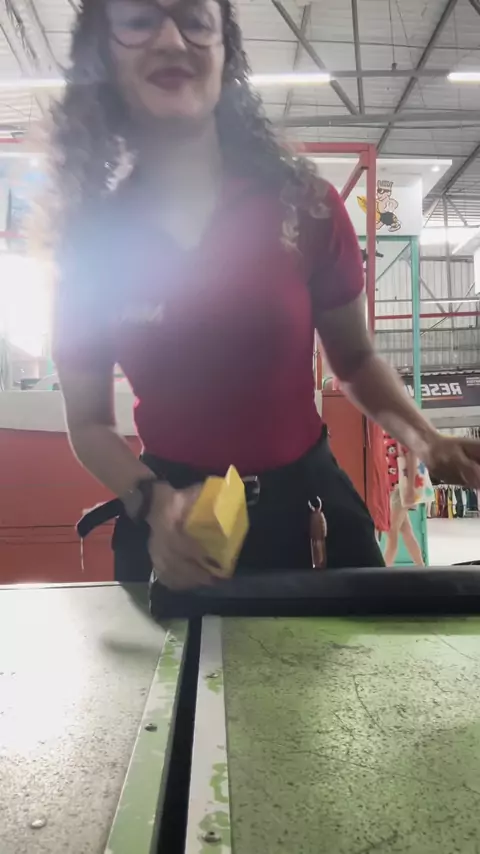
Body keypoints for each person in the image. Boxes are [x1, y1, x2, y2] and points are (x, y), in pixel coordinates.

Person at [49, 0, 480, 599]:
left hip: (309, 520)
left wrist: (426, 439)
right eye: (140, 19)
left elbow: (355, 360)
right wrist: (151, 501)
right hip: (177, 529)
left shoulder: (304, 207)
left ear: (224, 52)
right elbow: (89, 422)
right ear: (103, 53)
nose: (171, 40)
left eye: (195, 20)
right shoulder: (91, 244)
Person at [383, 434, 430, 567]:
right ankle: (421, 567)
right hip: (391, 489)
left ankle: (384, 570)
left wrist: (410, 488)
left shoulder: (399, 433)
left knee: (391, 531)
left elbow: (411, 457)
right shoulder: (383, 434)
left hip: (400, 489)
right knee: (406, 531)